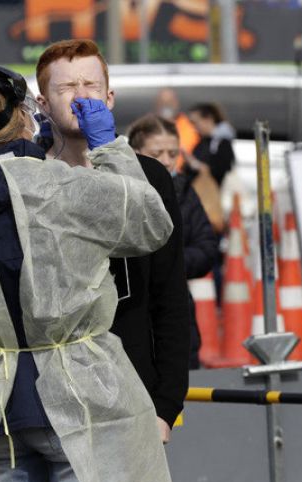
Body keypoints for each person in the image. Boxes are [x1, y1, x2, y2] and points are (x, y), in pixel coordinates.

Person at [0, 64, 175, 482]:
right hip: (79, 397)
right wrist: (109, 146)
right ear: (25, 111)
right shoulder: (65, 186)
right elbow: (149, 223)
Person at [36, 39, 190, 446]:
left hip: (131, 392)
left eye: (91, 85)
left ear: (110, 97)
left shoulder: (150, 177)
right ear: (42, 103)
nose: (81, 97)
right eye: (66, 88)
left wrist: (165, 406)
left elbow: (170, 295)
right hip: (45, 401)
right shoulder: (26, 176)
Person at [127, 114, 220, 369]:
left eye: (173, 153)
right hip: (131, 316)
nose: (167, 161)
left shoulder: (184, 191)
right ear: (134, 152)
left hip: (177, 313)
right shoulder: (121, 192)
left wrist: (167, 263)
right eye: (157, 153)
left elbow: (206, 248)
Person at [188, 102, 236, 187]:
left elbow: (221, 170)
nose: (194, 127)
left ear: (208, 119)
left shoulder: (222, 143)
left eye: (195, 122)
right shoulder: (203, 142)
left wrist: (195, 164)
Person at [154, 87, 200, 167]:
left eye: (170, 102)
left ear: (176, 103)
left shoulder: (191, 127)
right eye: (162, 102)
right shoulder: (147, 127)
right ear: (157, 104)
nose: (166, 105)